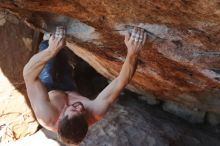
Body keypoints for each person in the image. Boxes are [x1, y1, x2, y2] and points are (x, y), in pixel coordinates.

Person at [23, 27, 147, 145]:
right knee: (63, 58)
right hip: (70, 87)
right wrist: (133, 52)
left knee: (48, 50)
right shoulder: (94, 113)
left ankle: (49, 41)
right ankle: (60, 47)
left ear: (60, 118)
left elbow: (28, 75)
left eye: (74, 109)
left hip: (49, 88)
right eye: (82, 113)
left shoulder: (46, 115)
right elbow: (121, 82)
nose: (80, 108)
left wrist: (51, 50)